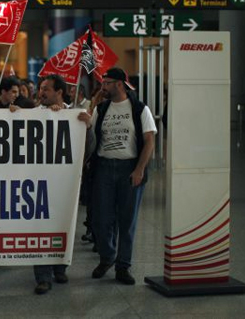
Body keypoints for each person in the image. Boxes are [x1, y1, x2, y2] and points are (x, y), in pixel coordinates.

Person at [79, 67, 156, 285]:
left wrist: (140, 169)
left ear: (120, 84)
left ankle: (123, 265)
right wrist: (86, 125)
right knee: (101, 219)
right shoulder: (101, 109)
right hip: (103, 168)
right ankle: (107, 257)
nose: (103, 86)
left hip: (129, 168)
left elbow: (150, 140)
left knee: (127, 220)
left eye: (107, 83)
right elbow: (92, 138)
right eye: (103, 82)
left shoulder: (140, 109)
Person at [32, 74, 70, 294]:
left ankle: (60, 267)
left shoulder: (74, 115)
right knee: (41, 228)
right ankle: (42, 276)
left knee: (62, 224)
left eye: (46, 89)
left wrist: (87, 126)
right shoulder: (32, 114)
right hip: (39, 183)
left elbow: (89, 148)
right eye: (40, 88)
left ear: (59, 93)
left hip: (64, 182)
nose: (41, 92)